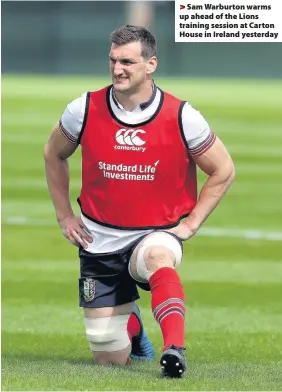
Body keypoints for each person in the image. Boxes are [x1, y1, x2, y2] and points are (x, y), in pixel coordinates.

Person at [44, 25, 235, 378]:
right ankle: (132, 323)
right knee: (108, 357)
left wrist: (191, 223)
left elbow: (223, 169)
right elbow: (53, 154)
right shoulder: (83, 108)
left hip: (155, 232)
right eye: (113, 61)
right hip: (98, 238)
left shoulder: (182, 116)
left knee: (158, 258)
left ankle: (174, 349)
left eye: (128, 62)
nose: (118, 69)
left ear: (151, 65)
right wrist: (64, 216)